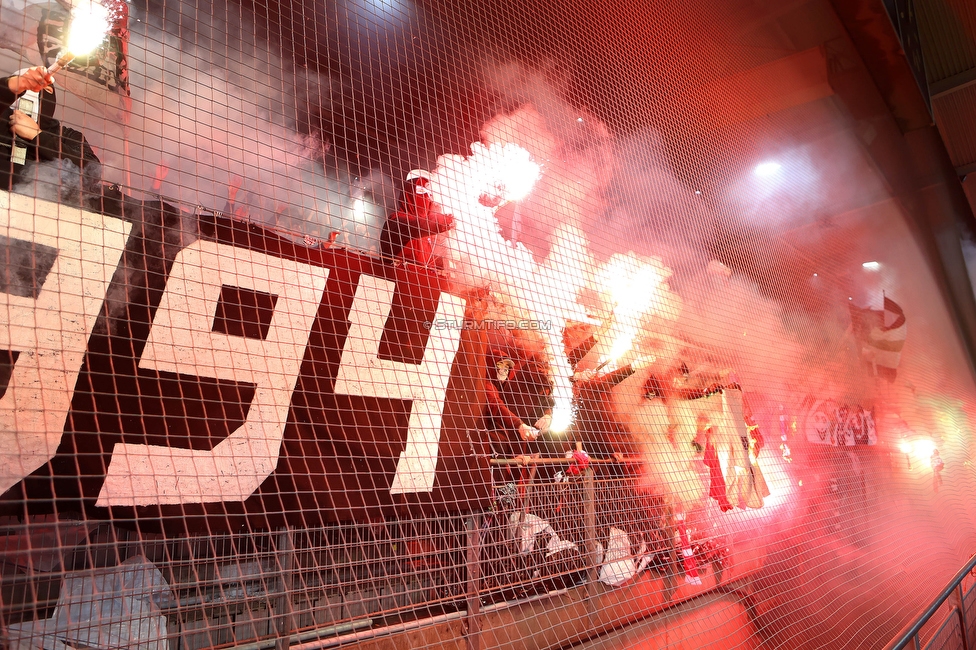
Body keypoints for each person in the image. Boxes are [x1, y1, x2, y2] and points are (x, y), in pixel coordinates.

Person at [1, 66, 100, 195]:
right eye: (26, 87)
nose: (33, 90)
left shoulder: (65, 135)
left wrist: (37, 136)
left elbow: (92, 170)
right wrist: (18, 83)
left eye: (44, 88)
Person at [379, 170, 454, 266]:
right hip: (397, 277)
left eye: (430, 194)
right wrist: (444, 221)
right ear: (409, 193)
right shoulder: (395, 219)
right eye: (421, 191)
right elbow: (416, 226)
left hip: (419, 279)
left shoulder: (429, 233)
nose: (426, 197)